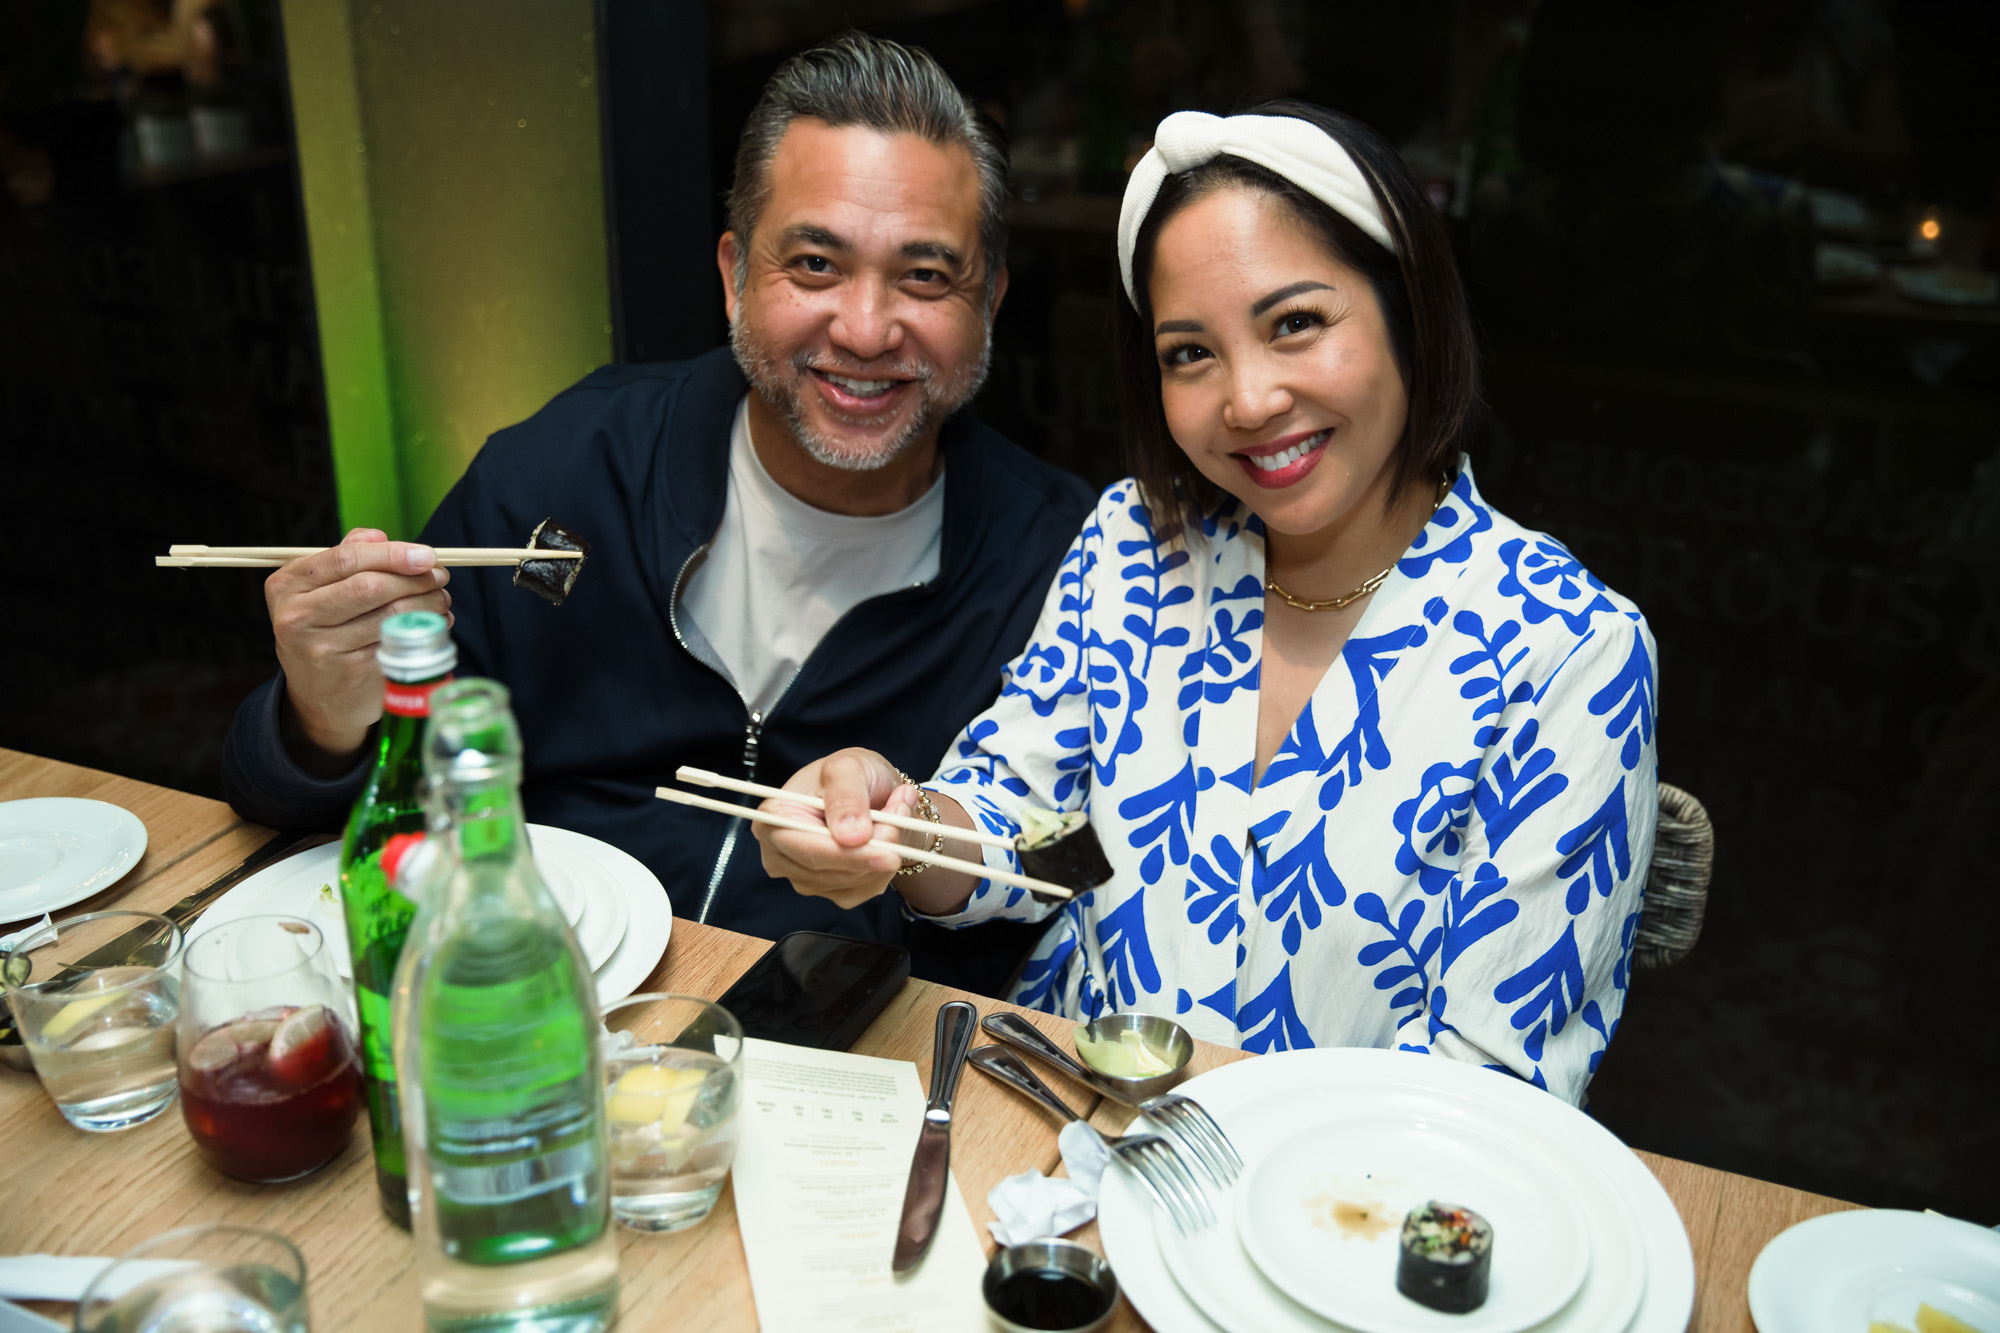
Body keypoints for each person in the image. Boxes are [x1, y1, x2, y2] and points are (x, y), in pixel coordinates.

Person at [757, 101, 1658, 1104]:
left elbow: (1489, 1085)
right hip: (1058, 1112)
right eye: (1190, 352)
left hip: (1347, 1183)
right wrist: (901, 826)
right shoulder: (1136, 544)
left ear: (1408, 308)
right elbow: (1050, 841)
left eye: (1295, 324)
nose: (1247, 400)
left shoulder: (1565, 651)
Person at [219, 33, 1095, 995]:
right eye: (814, 263)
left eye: (925, 276)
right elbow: (321, 799)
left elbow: (1084, 867)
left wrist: (919, 842)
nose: (864, 328)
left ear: (989, 302)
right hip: (537, 996)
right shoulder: (571, 466)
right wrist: (320, 720)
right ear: (733, 276)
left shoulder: (1068, 560)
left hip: (848, 1038)